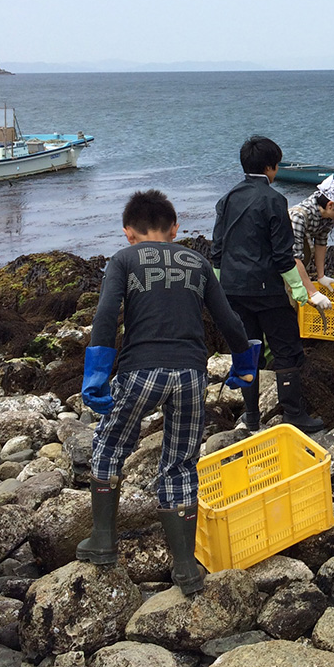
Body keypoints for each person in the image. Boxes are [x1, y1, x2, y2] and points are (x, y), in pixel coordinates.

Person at [77, 189, 257, 595]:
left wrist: (98, 376)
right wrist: (245, 363)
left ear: (128, 233)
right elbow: (228, 318)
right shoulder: (197, 261)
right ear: (175, 229)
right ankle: (185, 569)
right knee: (179, 465)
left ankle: (103, 542)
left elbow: (106, 316)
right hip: (191, 376)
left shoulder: (123, 260)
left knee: (109, 447)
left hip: (141, 371)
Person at [211, 135, 330, 435]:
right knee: (286, 348)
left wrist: (216, 289)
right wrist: (304, 292)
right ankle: (293, 413)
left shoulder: (226, 199)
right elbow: (282, 255)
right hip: (267, 289)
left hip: (232, 289)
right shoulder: (274, 200)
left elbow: (216, 249)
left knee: (247, 348)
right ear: (271, 168)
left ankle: (252, 417)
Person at [290, 175, 334, 294]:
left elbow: (321, 242)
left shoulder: (329, 216)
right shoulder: (299, 217)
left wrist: (321, 276)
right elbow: (294, 258)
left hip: (297, 265)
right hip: (279, 264)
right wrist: (313, 292)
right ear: (330, 205)